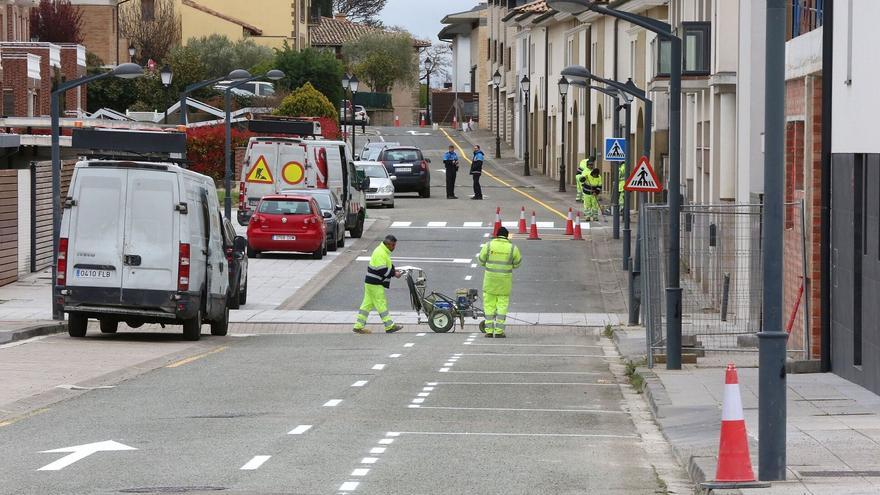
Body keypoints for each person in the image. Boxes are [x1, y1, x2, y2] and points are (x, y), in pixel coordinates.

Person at [353, 235, 403, 334]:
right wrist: (394, 273)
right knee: (381, 303)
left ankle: (358, 326)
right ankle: (389, 326)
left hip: (370, 282)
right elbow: (382, 270)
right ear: (388, 244)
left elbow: (385, 266)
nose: (394, 247)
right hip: (375, 283)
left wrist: (393, 270)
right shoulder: (380, 253)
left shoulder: (382, 251)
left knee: (366, 305)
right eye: (393, 245)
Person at [478, 227, 522, 338]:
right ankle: (498, 331)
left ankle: (488, 330)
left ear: (496, 235)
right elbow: (517, 263)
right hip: (504, 282)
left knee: (489, 305)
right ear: (507, 236)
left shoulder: (488, 245)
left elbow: (481, 260)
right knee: (502, 306)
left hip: (490, 281)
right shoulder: (512, 248)